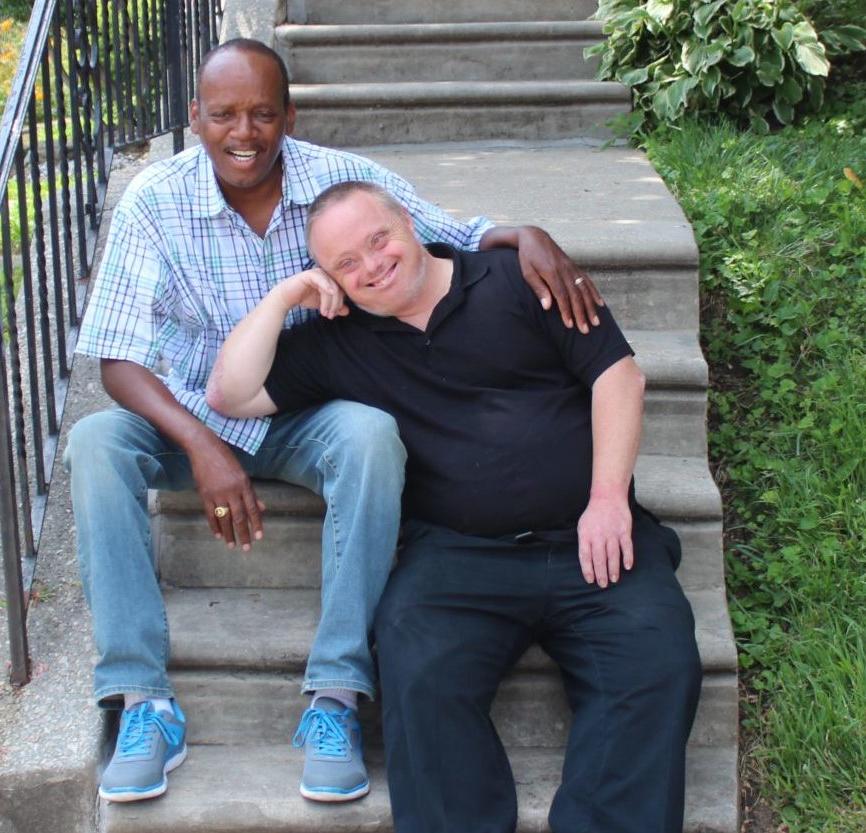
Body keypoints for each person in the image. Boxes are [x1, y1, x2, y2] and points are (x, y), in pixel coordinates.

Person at [64, 37, 604, 805]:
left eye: (260, 113)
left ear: (288, 115)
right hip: (192, 410)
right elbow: (116, 359)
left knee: (373, 434)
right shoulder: (155, 200)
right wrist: (201, 444)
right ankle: (141, 699)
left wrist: (525, 236)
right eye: (222, 114)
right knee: (94, 442)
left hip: (304, 411)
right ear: (195, 117)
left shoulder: (338, 182)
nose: (241, 132)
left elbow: (440, 231)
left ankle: (336, 696)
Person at [207, 181, 703, 833]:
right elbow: (229, 394)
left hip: (589, 536)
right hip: (458, 559)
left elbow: (618, 376)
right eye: (344, 265)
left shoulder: (519, 278)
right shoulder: (339, 341)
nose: (371, 266)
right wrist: (283, 297)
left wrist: (607, 498)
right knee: (415, 665)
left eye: (377, 240)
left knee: (656, 660)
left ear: (409, 222)